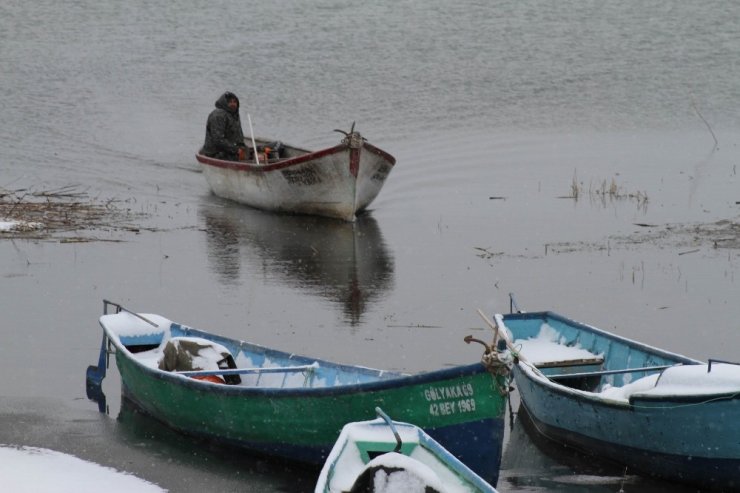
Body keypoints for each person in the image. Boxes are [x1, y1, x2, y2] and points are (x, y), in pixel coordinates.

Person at [200, 91, 247, 160]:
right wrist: (235, 149)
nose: (233, 104)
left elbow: (238, 135)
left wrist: (241, 148)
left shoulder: (234, 114)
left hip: (230, 150)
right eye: (230, 102)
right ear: (224, 103)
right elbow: (218, 140)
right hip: (215, 152)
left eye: (234, 102)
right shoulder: (218, 116)